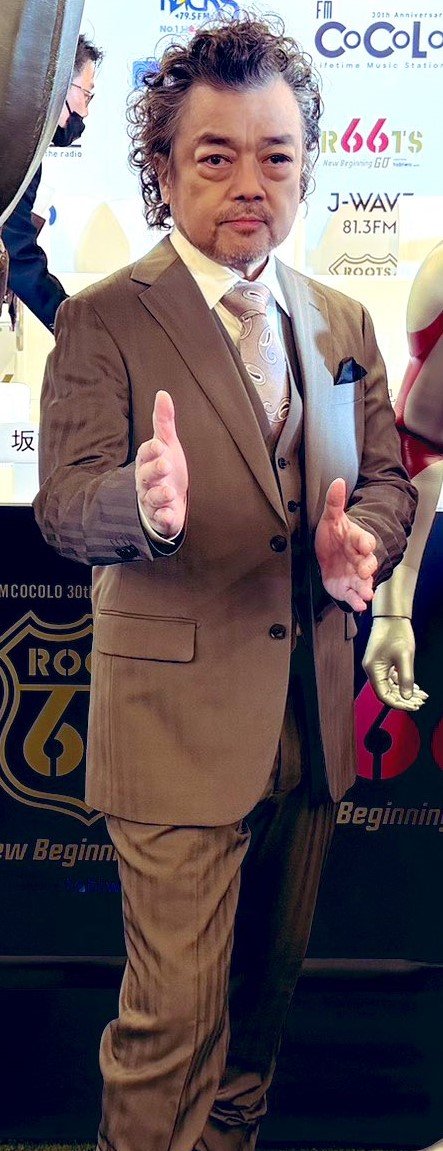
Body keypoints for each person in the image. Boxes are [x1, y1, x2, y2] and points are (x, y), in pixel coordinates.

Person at [33, 16, 418, 1151]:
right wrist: (141, 508)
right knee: (171, 1031)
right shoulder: (103, 318)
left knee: (256, 1026)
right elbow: (64, 508)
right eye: (215, 155)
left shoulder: (340, 319)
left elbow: (385, 480)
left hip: (310, 723)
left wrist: (365, 542)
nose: (250, 182)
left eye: (276, 155)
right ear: (160, 167)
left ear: (304, 166)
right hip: (175, 728)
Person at [1, 33, 102, 333]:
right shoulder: (17, 149)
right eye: (86, 94)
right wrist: (79, 332)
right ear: (57, 85)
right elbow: (18, 256)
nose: (85, 111)